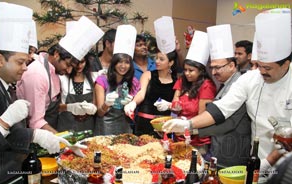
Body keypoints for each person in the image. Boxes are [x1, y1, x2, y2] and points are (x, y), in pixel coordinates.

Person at [163, 8, 292, 165]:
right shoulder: (251, 79)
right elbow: (222, 108)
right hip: (256, 155)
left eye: (268, 68)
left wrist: (268, 163)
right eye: (259, 66)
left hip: (284, 162)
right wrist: (188, 124)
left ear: (286, 63)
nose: (261, 72)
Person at [0, 2, 69, 184]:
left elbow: (9, 134)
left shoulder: (5, 85)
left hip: (11, 171)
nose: (25, 68)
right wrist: (3, 122)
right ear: (0, 60)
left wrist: (36, 135)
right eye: (20, 62)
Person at [17, 16, 104, 134]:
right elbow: (35, 122)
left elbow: (53, 107)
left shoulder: (53, 71)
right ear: (57, 54)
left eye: (72, 67)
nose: (69, 71)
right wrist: (61, 140)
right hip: (34, 135)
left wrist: (70, 107)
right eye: (68, 65)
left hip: (49, 128)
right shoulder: (38, 74)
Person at [153, 31, 216, 157]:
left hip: (197, 142)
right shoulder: (183, 80)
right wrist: (170, 106)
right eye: (185, 69)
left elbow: (202, 118)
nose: (187, 73)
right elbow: (176, 104)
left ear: (201, 70)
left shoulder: (206, 86)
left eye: (191, 71)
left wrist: (184, 125)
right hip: (179, 137)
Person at [124, 16, 178, 138]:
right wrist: (133, 103)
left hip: (164, 126)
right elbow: (141, 93)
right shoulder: (148, 75)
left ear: (171, 63)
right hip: (144, 124)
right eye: (156, 58)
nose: (157, 61)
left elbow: (177, 103)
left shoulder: (176, 81)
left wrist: (170, 105)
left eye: (161, 59)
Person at [94, 25, 140, 135]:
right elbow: (99, 113)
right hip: (105, 128)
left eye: (127, 62)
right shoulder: (102, 80)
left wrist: (130, 105)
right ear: (114, 63)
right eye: (120, 62)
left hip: (125, 127)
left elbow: (138, 98)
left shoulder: (133, 82)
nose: (123, 66)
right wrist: (107, 103)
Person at [57, 55, 97, 132]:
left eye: (82, 62)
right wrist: (70, 107)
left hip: (88, 126)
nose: (79, 66)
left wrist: (90, 111)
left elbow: (95, 104)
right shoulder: (62, 78)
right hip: (66, 125)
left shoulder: (93, 78)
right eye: (76, 63)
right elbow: (55, 107)